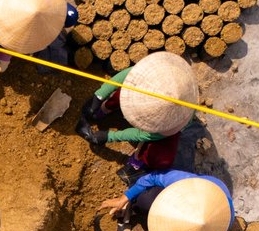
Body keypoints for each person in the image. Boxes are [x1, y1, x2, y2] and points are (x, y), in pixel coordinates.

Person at [77, 52, 199, 181]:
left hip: (167, 128)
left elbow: (142, 135)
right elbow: (125, 75)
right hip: (157, 106)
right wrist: (99, 96)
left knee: (162, 158)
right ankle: (104, 109)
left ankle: (138, 159)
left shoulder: (173, 121)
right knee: (123, 92)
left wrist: (110, 136)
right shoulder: (160, 72)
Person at [100, 170, 233, 231]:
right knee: (145, 200)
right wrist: (125, 197)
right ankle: (132, 207)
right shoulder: (185, 182)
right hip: (191, 192)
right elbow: (153, 177)